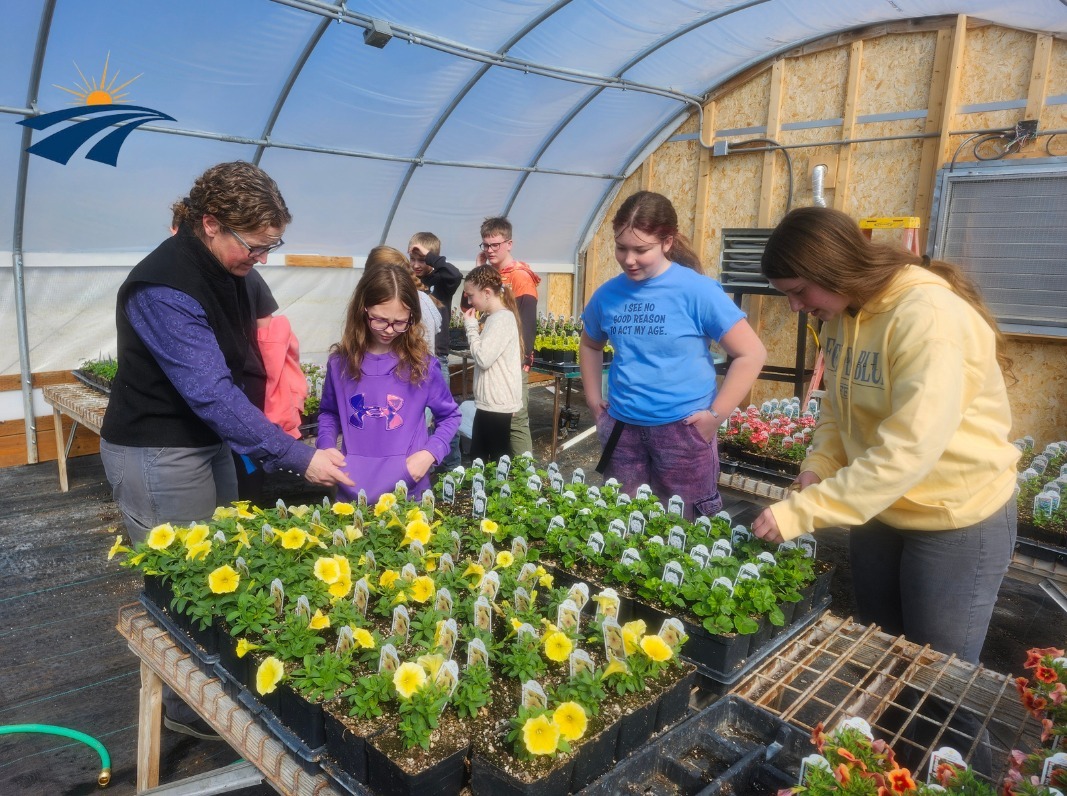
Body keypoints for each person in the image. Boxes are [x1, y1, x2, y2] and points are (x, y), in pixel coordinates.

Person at [101, 161, 353, 740]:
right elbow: (210, 392)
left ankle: (215, 684)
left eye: (271, 245)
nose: (261, 258)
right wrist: (297, 455)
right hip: (158, 450)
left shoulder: (225, 266)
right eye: (255, 245)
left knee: (219, 566)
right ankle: (187, 707)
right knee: (182, 579)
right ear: (211, 223)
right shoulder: (163, 286)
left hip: (204, 439)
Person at [750, 206, 1019, 666]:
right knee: (880, 657)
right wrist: (818, 467)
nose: (795, 307)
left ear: (832, 269)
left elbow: (908, 450)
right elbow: (837, 407)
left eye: (798, 291)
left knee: (937, 678)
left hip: (954, 516)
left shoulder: (928, 320)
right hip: (879, 508)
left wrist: (802, 512)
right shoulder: (840, 314)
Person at [580, 191, 767, 520]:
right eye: (621, 247)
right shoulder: (607, 295)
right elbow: (590, 345)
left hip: (683, 433)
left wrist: (715, 416)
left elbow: (751, 353)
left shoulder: (698, 291)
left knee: (685, 525)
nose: (629, 259)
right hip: (623, 431)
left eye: (641, 250)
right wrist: (595, 402)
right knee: (624, 522)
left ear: (667, 242)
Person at [316, 263, 460, 502]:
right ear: (362, 310)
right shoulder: (340, 364)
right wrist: (326, 445)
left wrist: (429, 454)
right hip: (351, 490)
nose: (389, 330)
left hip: (408, 492)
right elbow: (329, 413)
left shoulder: (423, 366)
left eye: (400, 322)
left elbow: (450, 416)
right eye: (380, 320)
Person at [478, 217, 539, 457]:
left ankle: (526, 472)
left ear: (509, 244)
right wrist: (479, 268)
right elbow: (468, 305)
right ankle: (501, 469)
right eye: (486, 245)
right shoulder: (491, 274)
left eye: (495, 245)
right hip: (493, 356)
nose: (490, 250)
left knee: (516, 417)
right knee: (496, 415)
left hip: (512, 361)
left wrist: (522, 361)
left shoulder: (519, 276)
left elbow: (527, 323)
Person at [409, 231, 463, 469]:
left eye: (421, 260)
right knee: (418, 415)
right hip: (414, 356)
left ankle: (452, 466)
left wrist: (430, 256)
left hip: (437, 359)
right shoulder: (409, 282)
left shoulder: (441, 281)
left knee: (444, 414)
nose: (416, 265)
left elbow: (455, 275)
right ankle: (424, 464)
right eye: (413, 259)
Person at [461, 265, 523, 463]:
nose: (469, 301)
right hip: (489, 402)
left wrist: (471, 328)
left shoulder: (502, 319)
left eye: (471, 296)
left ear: (487, 293)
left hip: (496, 403)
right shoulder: (494, 318)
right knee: (478, 456)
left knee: (498, 459)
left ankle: (506, 484)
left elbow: (483, 358)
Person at [365, 246, 441, 353]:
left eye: (399, 322)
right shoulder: (423, 298)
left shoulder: (411, 300)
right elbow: (437, 326)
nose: (389, 330)